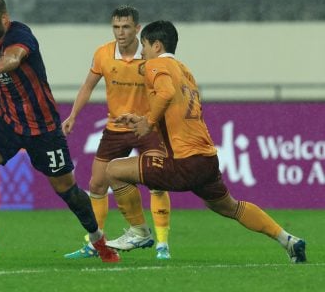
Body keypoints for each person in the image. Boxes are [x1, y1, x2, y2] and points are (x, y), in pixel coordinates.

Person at [103, 20, 307, 263]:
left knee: (114, 170)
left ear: (157, 45)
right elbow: (175, 110)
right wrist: (143, 118)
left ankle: (139, 232)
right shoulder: (184, 71)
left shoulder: (156, 64)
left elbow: (165, 94)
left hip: (184, 161)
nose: (142, 51)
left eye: (144, 45)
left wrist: (147, 122)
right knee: (229, 206)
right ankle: (289, 241)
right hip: (206, 159)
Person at [0, 0, 119, 263]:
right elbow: (2, 75)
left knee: (69, 192)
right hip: (8, 121)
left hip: (43, 128)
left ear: (4, 20)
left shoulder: (20, 34)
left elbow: (14, 59)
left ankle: (99, 241)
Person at [62, 6, 172, 261]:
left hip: (147, 127)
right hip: (115, 128)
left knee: (157, 183)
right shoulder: (103, 54)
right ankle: (94, 243)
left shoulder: (151, 56)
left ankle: (162, 244)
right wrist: (73, 115)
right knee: (97, 184)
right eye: (116, 27)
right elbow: (87, 86)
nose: (120, 32)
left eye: (126, 27)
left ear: (137, 28)